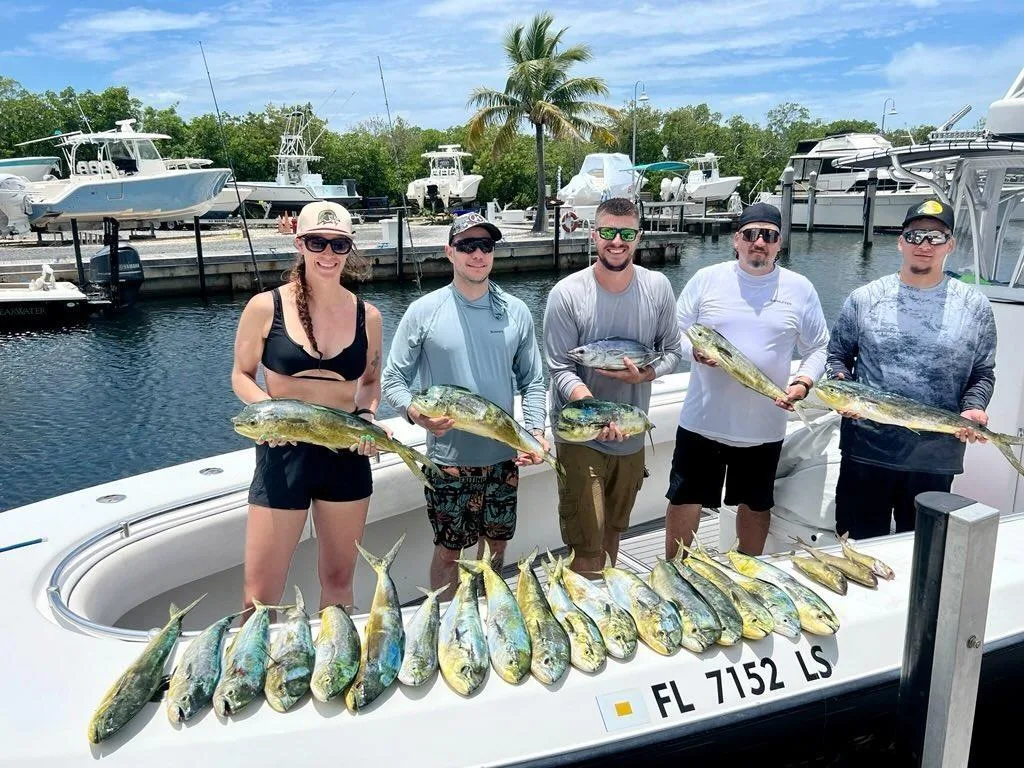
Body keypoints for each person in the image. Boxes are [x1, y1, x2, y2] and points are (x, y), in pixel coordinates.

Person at [381, 212, 548, 598]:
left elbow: (533, 381)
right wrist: (414, 413)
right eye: (467, 246)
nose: (477, 255)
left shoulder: (516, 311)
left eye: (485, 246)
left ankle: (489, 616)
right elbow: (393, 381)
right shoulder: (424, 310)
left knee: (497, 547)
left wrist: (535, 433)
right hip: (448, 462)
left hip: (504, 457)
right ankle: (447, 628)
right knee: (449, 554)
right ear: (450, 253)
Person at [231, 201, 382, 612]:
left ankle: (336, 670)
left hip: (346, 456)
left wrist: (367, 418)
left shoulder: (368, 315)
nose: (328, 254)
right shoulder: (265, 307)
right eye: (318, 242)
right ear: (300, 243)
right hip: (283, 455)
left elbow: (369, 383)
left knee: (338, 584)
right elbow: (241, 375)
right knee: (260, 595)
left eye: (339, 245)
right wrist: (270, 413)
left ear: (350, 249)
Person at [827, 199, 996, 539]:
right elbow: (837, 358)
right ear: (901, 241)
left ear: (950, 244)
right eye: (916, 235)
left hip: (935, 459)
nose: (924, 245)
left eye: (936, 237)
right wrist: (842, 390)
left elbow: (982, 372)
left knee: (923, 556)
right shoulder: (865, 297)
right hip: (867, 453)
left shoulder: (975, 305)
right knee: (857, 549)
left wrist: (974, 407)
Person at [668, 202, 829, 556]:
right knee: (685, 499)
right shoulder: (706, 279)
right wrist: (691, 352)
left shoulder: (799, 288)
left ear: (779, 242)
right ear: (736, 240)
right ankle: (676, 573)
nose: (760, 242)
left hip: (764, 426)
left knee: (755, 505)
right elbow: (673, 334)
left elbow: (819, 347)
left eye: (768, 236)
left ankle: (747, 575)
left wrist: (802, 383)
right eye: (751, 234)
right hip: (703, 422)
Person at [544, 197, 682, 575]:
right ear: (594, 235)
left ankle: (605, 617)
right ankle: (582, 623)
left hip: (633, 434)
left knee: (613, 535)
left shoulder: (658, 288)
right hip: (580, 436)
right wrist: (593, 409)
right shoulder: (567, 294)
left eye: (625, 233)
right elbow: (559, 368)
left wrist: (647, 375)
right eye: (607, 232)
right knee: (587, 546)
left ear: (638, 237)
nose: (616, 241)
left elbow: (672, 352)